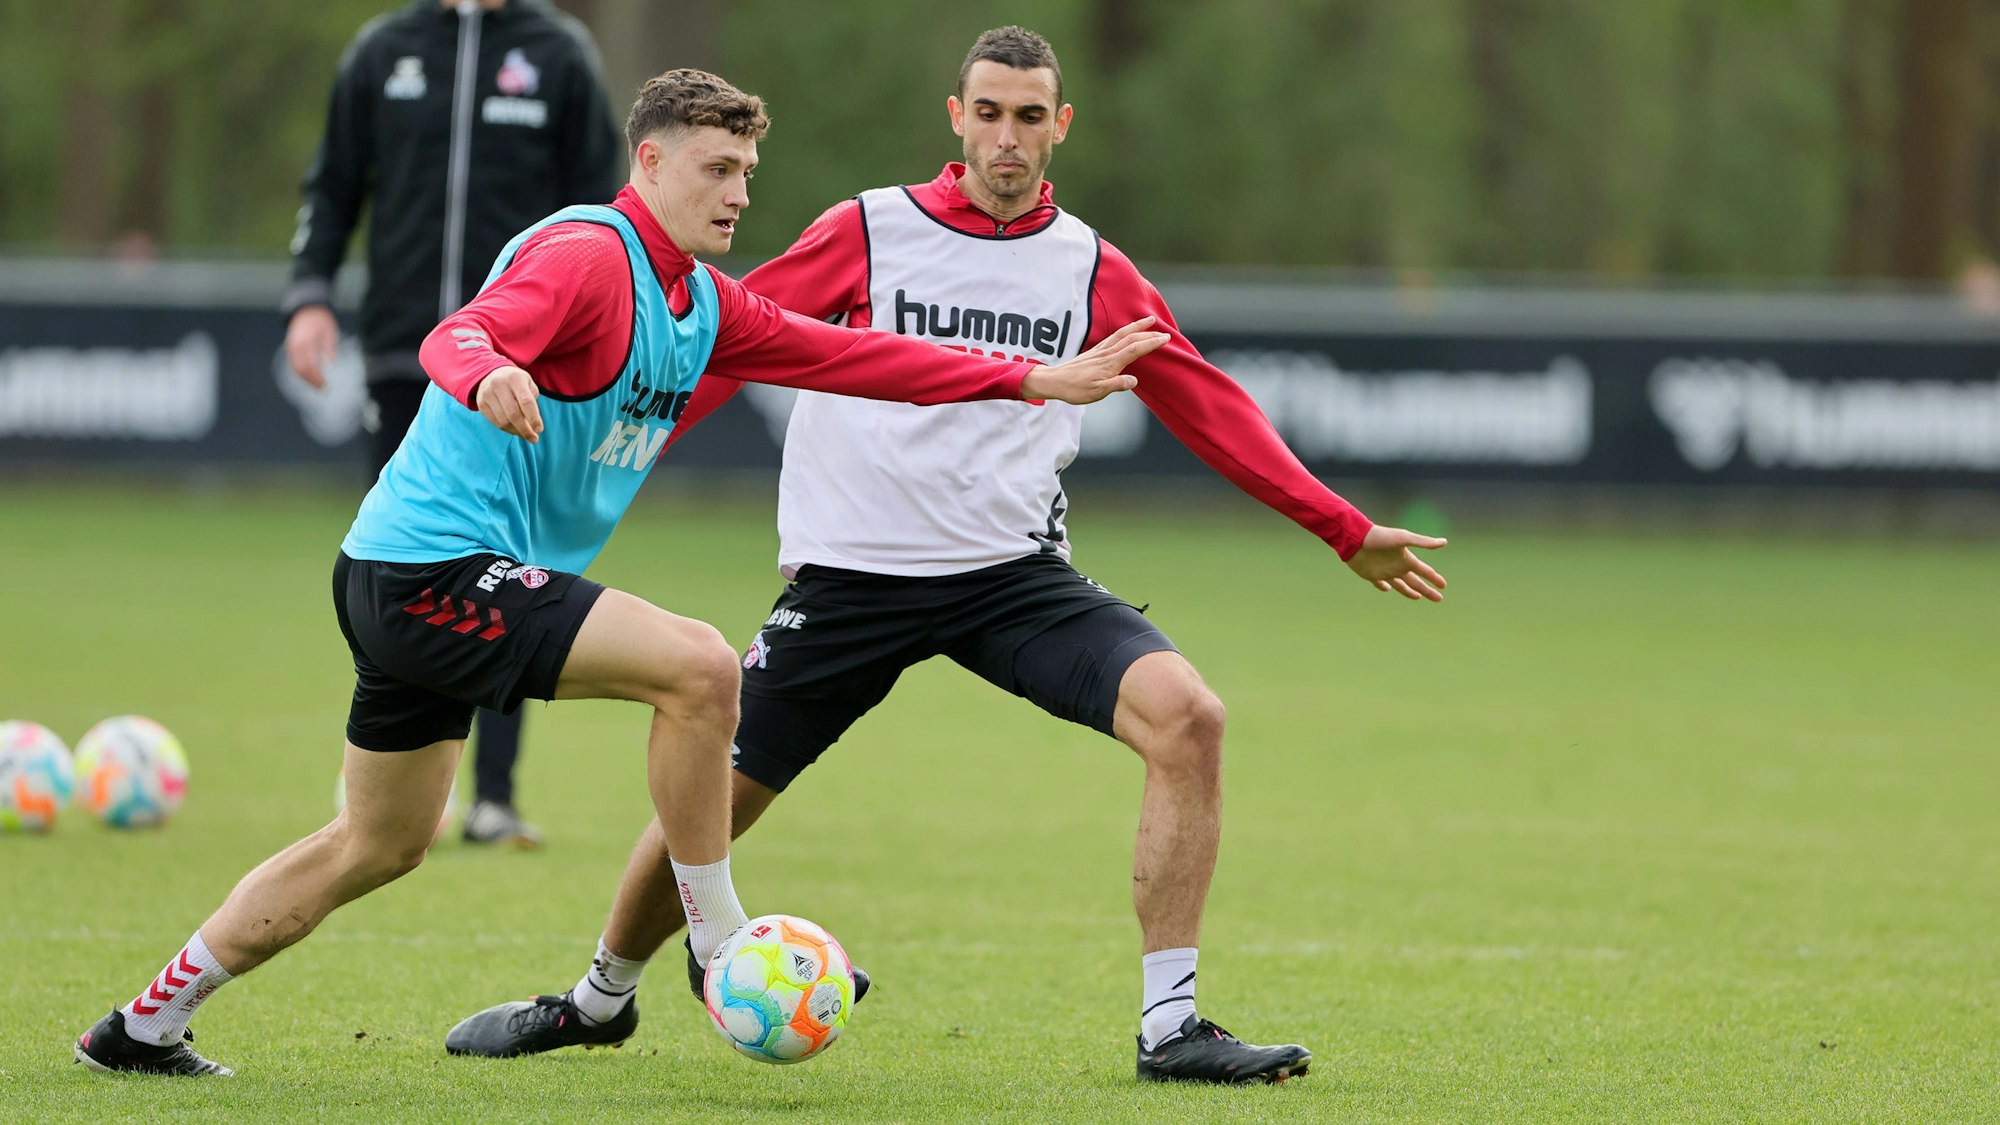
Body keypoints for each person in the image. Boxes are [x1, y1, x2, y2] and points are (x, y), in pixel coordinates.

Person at [72, 67, 1164, 1078]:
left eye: (745, 173)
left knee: (376, 844)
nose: (737, 194)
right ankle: (718, 937)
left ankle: (144, 1023)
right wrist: (489, 370)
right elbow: (461, 334)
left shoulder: (704, 300)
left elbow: (855, 355)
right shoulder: (592, 254)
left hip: (411, 581)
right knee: (697, 667)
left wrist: (1028, 381)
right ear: (649, 163)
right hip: (432, 570)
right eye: (714, 169)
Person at [447, 27, 1449, 1085]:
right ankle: (600, 999)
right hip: (850, 581)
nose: (1006, 137)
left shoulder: (1091, 266)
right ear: (955, 117)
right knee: (713, 802)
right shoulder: (868, 230)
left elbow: (1204, 402)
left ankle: (1170, 1027)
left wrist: (1342, 527)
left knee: (1188, 717)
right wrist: (577, 462)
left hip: (1010, 580)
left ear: (1059, 126)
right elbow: (713, 348)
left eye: (1028, 116)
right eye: (987, 112)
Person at [282, 0, 627, 846]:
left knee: (515, 571)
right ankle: (396, 780)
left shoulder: (559, 53)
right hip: (407, 354)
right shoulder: (382, 51)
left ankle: (494, 796)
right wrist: (310, 293)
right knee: (402, 567)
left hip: (526, 364)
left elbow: (608, 210)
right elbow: (333, 183)